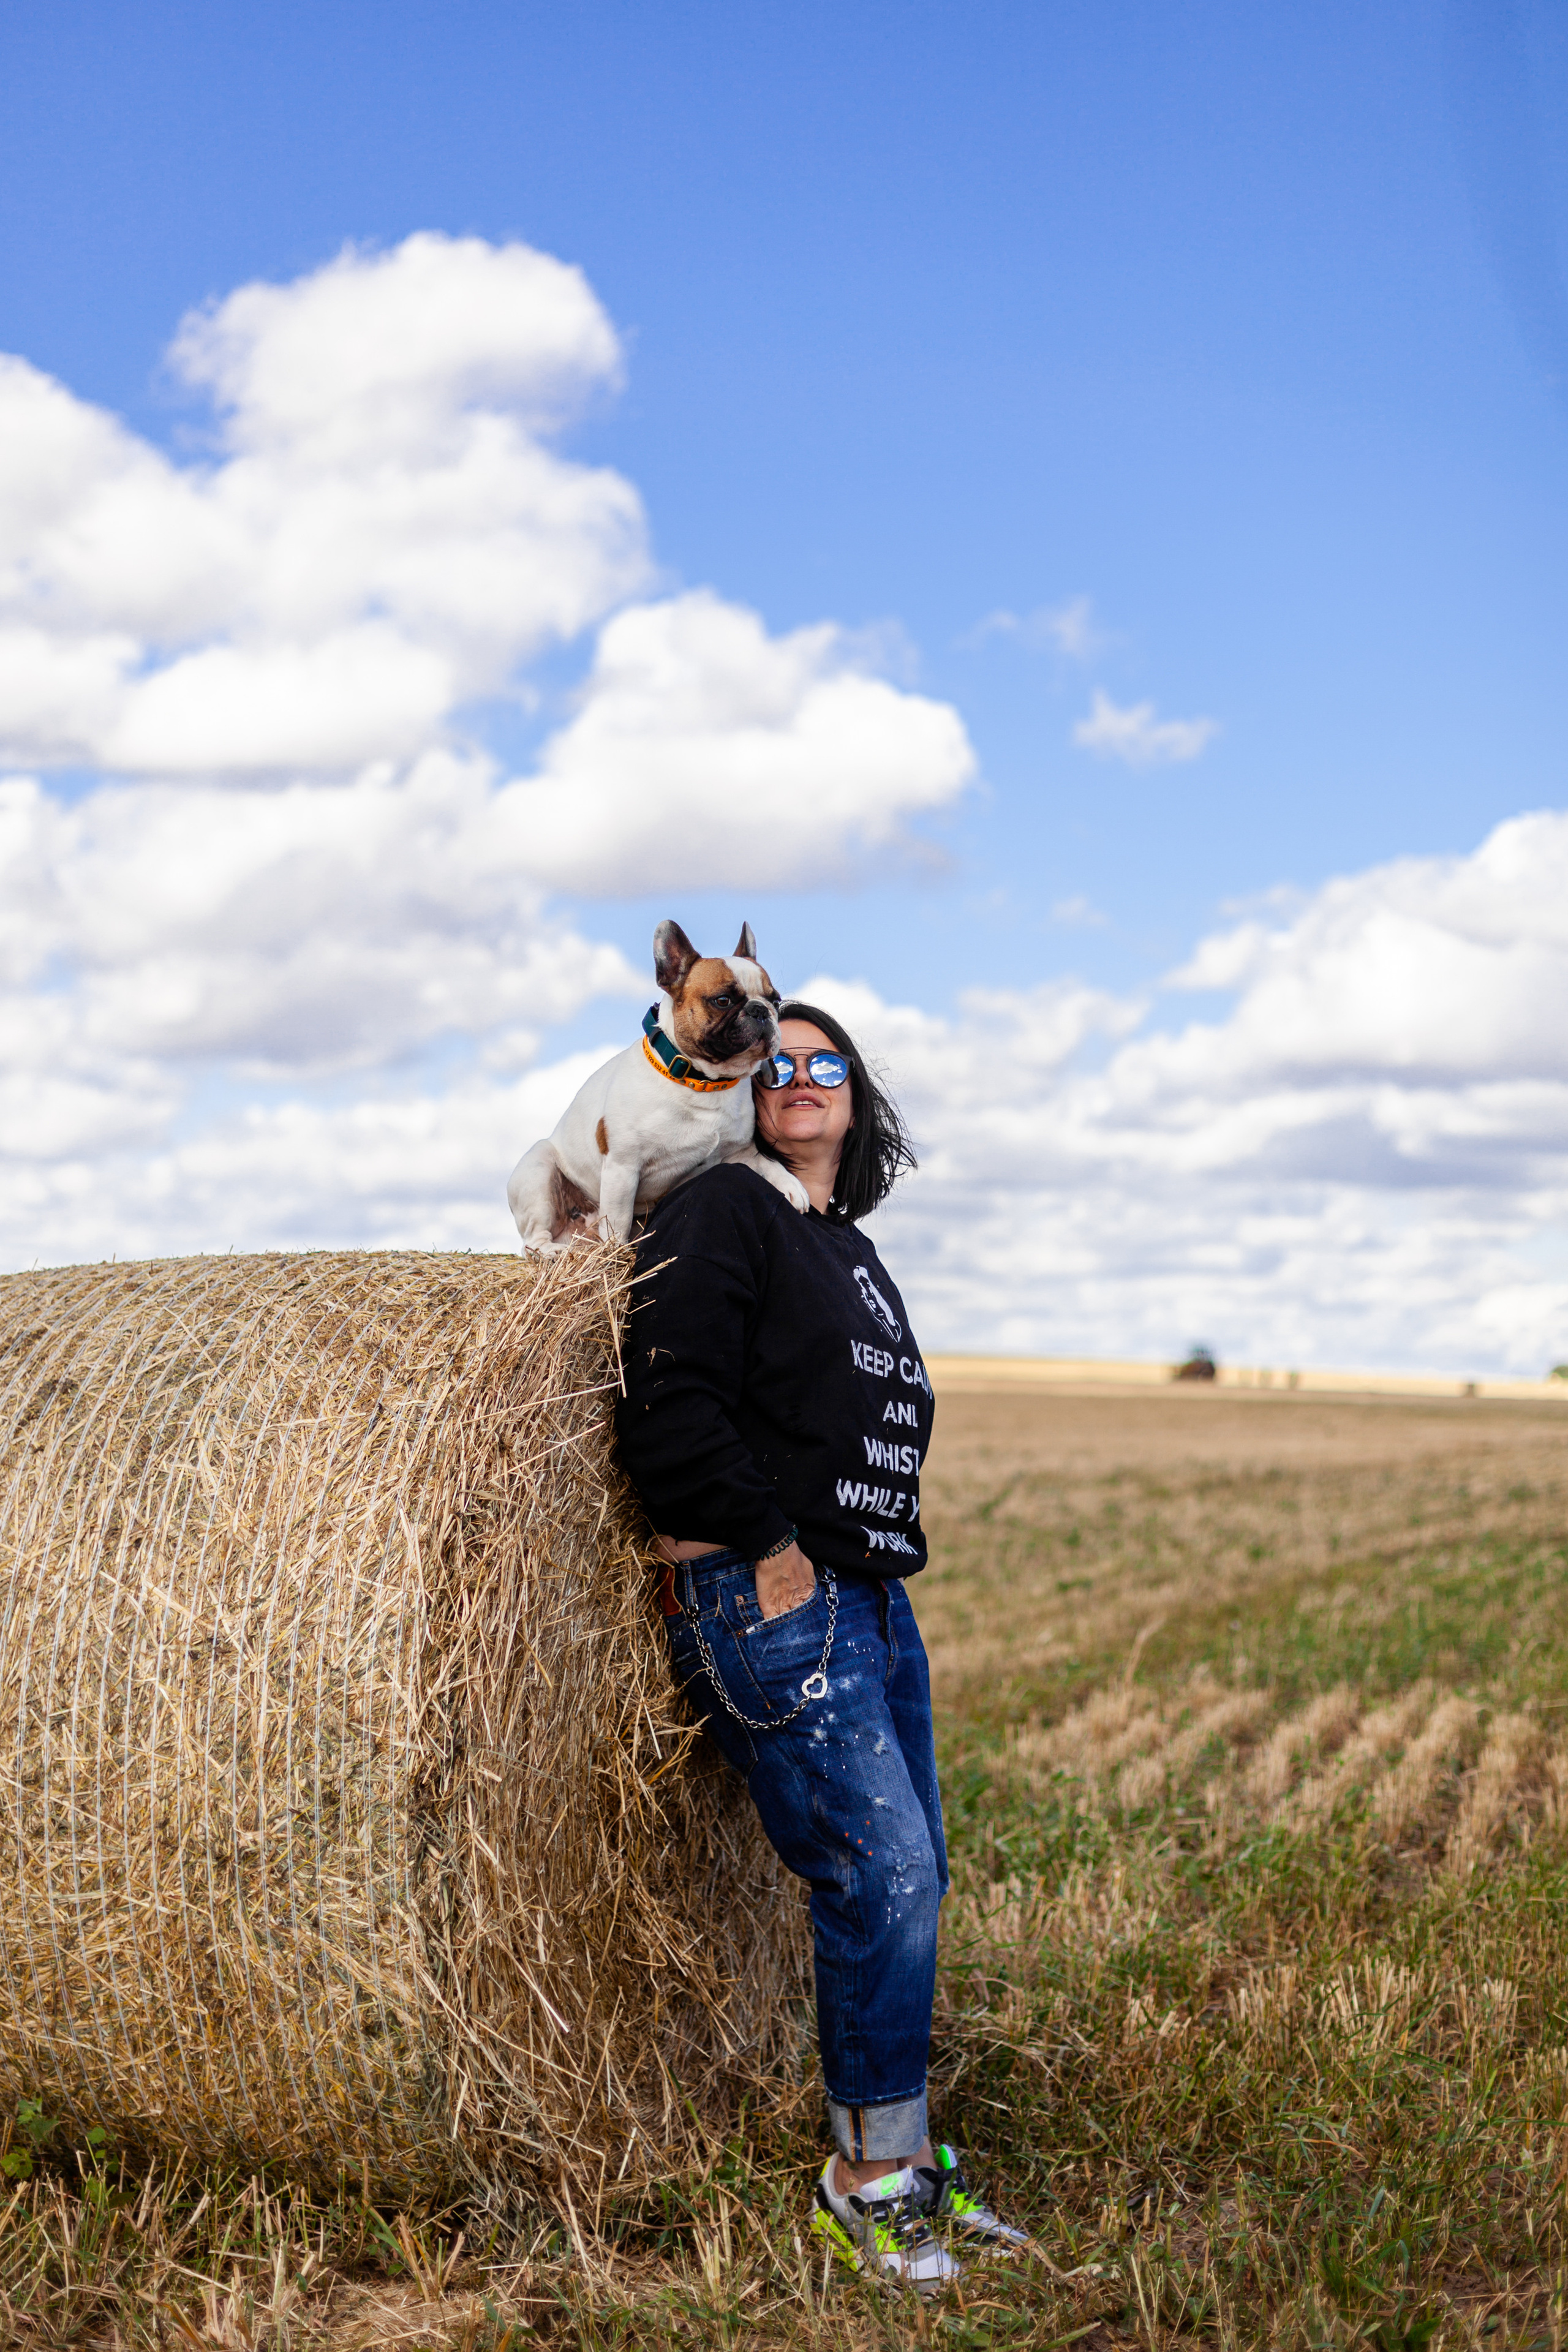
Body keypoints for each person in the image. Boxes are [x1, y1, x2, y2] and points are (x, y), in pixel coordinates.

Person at [614, 1001, 1026, 2293]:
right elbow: (662, 1400)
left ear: (857, 1096)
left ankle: (901, 2159)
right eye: (774, 1063)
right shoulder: (722, 1212)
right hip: (771, 1590)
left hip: (867, 1598)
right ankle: (866, 2188)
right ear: (741, 1094)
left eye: (822, 1061)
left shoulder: (842, 1246)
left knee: (915, 1872)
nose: (796, 1077)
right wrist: (767, 1543)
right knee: (878, 1868)